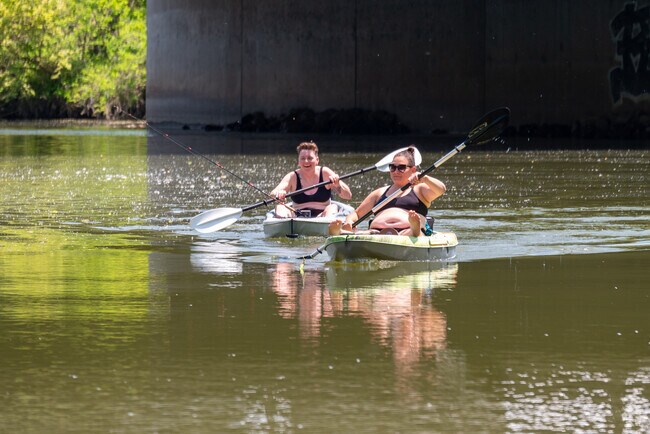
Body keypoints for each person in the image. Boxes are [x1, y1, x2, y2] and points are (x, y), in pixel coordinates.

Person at [329, 147, 445, 236]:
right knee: (364, 234)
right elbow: (357, 214)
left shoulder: (419, 189)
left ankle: (415, 229)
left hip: (407, 231)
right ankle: (341, 233)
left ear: (413, 169)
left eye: (401, 168)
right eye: (392, 167)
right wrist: (349, 221)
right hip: (378, 232)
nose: (396, 171)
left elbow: (441, 189)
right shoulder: (379, 192)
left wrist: (425, 178)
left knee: (411, 232)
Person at [270, 141, 352, 217]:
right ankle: (284, 228)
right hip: (297, 218)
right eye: (302, 158)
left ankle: (327, 229)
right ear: (298, 162)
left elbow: (348, 196)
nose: (306, 161)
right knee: (280, 207)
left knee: (333, 207)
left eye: (310, 158)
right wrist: (279, 194)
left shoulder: (325, 173)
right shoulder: (292, 176)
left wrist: (337, 185)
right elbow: (273, 193)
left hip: (322, 217)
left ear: (317, 160)